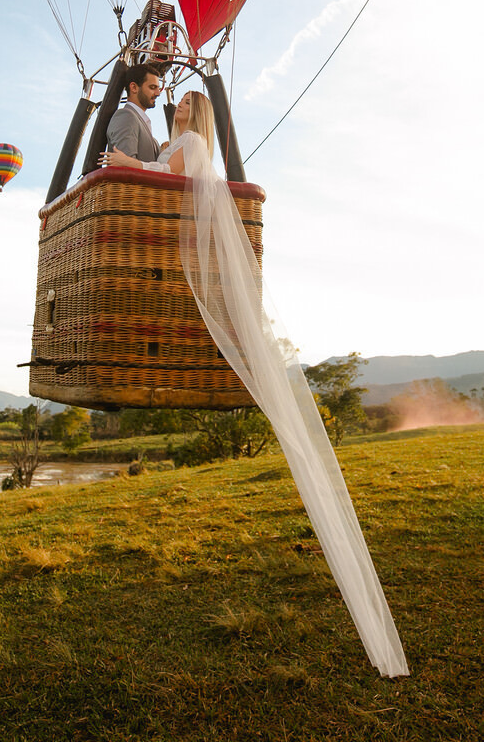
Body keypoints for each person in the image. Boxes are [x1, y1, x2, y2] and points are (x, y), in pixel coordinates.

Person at [100, 87, 409, 679]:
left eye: (190, 104)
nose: (181, 108)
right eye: (180, 103)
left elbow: (166, 174)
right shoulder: (185, 143)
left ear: (201, 116)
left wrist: (127, 164)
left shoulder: (188, 143)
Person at [100, 88, 212, 175]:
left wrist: (127, 161)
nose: (180, 104)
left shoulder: (192, 139)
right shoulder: (184, 141)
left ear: (198, 112)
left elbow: (169, 171)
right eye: (181, 100)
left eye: (187, 102)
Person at [105, 62, 164, 162]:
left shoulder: (140, 122)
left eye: (158, 88)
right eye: (152, 87)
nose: (158, 93)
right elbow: (124, 167)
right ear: (134, 87)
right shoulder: (126, 117)